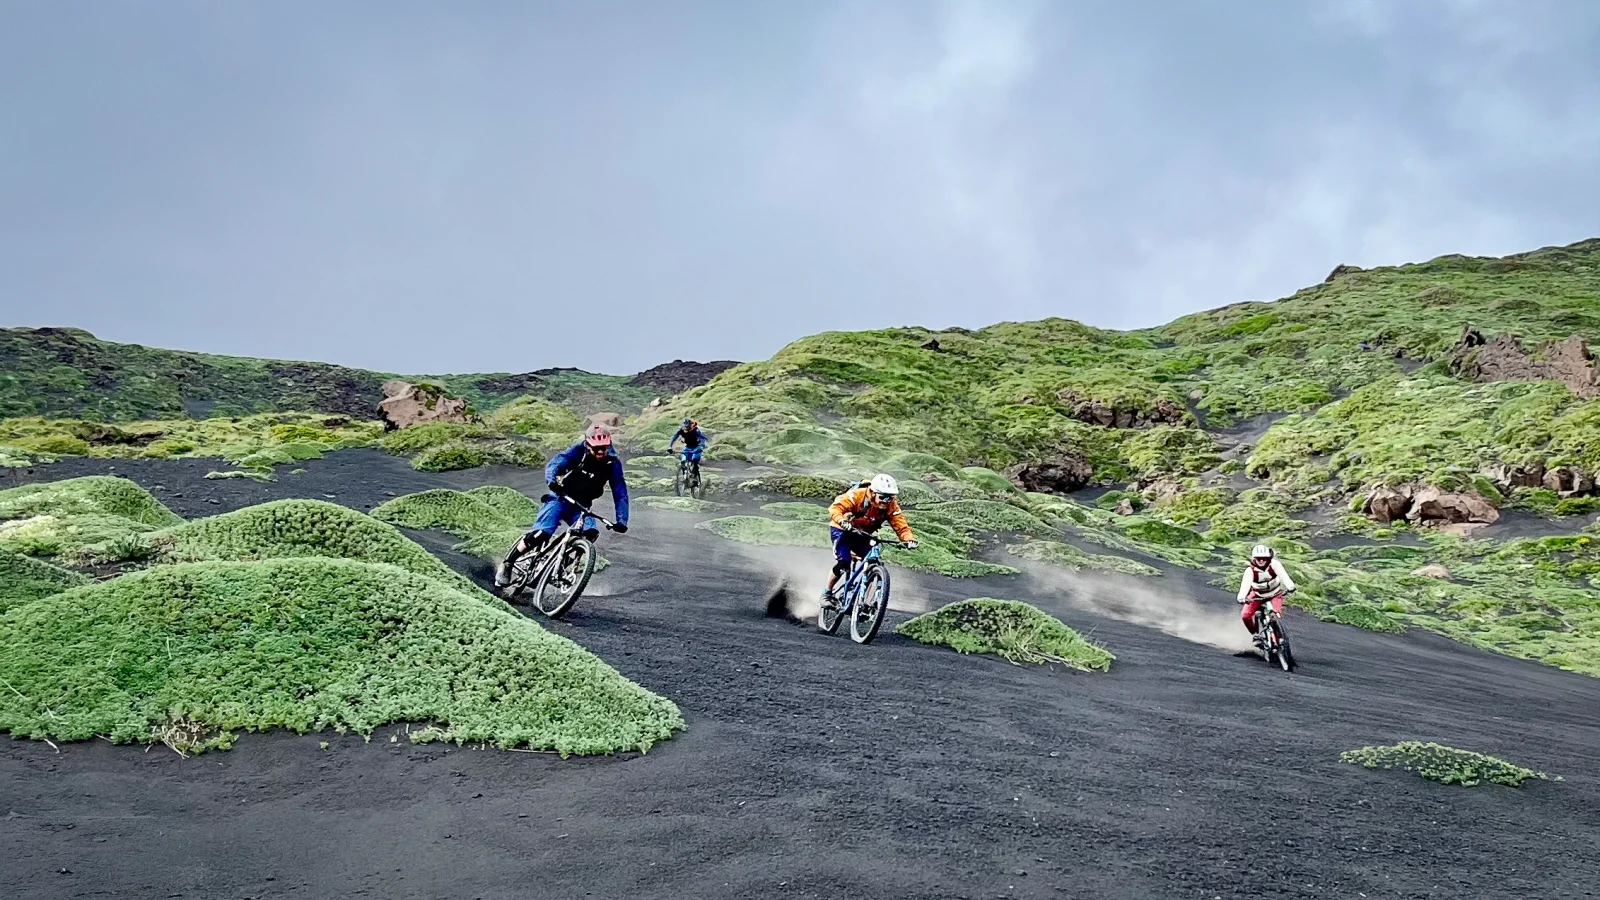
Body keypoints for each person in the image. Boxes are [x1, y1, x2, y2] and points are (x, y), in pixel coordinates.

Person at [495, 425, 630, 592]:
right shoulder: (578, 451)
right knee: (542, 533)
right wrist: (552, 480)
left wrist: (622, 520)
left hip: (582, 506)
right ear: (588, 445)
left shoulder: (612, 463)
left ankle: (561, 564)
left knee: (590, 532)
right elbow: (557, 463)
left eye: (604, 447)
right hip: (560, 498)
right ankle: (509, 563)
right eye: (597, 448)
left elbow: (620, 491)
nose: (601, 452)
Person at [822, 473, 918, 607]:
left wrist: (909, 539)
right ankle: (827, 594)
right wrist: (842, 521)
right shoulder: (857, 496)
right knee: (844, 562)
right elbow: (835, 508)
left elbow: (901, 526)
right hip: (842, 530)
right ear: (873, 492)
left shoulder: (891, 506)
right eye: (883, 497)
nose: (886, 501)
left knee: (873, 565)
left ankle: (863, 603)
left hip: (863, 534)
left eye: (890, 497)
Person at [1237, 544, 1296, 642]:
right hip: (1257, 596)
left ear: (1268, 558)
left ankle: (1278, 638)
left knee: (1275, 615)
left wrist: (1290, 586)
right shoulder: (1250, 571)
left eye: (1264, 558)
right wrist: (1242, 598)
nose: (1261, 560)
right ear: (1254, 559)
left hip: (1275, 594)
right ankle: (1256, 635)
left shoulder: (1274, 565)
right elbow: (1245, 586)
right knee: (1245, 616)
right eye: (1258, 558)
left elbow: (1283, 576)